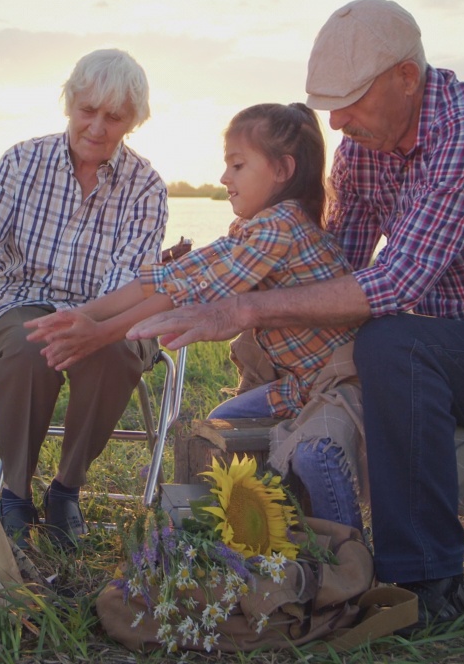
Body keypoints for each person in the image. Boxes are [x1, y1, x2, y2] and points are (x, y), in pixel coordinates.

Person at [127, 0, 464, 634]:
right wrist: (245, 274)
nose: (335, 119)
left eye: (350, 100)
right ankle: (314, 550)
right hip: (462, 352)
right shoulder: (363, 149)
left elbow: (394, 282)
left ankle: (426, 581)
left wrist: (243, 305)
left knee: (391, 343)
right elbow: (336, 274)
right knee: (337, 369)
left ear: (406, 78)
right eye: (328, 102)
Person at [27, 102, 365, 531]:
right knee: (223, 425)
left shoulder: (281, 227)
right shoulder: (256, 228)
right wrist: (82, 314)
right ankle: (263, 531)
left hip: (343, 385)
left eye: (237, 165)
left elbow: (187, 291)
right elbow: (171, 277)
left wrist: (102, 333)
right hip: (300, 386)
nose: (225, 178)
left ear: (282, 170)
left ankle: (349, 554)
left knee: (317, 454)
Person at [0, 49, 168, 549]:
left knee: (111, 350)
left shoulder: (146, 186)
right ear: (69, 104)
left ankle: (65, 490)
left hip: (106, 308)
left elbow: (132, 279)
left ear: (133, 122)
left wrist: (84, 322)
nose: (98, 127)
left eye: (115, 117)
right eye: (88, 110)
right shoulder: (23, 161)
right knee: (26, 345)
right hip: (21, 300)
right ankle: (16, 495)